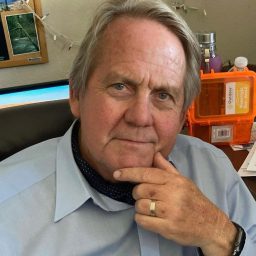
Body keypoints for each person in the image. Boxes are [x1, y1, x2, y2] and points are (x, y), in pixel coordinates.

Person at [0, 0, 255, 255]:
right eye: (120, 86)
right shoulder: (7, 211)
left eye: (164, 95)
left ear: (180, 118)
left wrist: (219, 233)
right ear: (77, 95)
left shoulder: (214, 171)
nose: (140, 117)